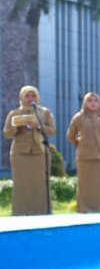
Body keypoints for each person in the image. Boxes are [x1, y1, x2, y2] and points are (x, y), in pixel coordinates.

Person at [5, 85, 55, 215]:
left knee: (40, 184)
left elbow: (52, 130)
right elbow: (7, 133)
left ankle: (41, 211)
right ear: (22, 97)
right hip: (20, 153)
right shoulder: (14, 114)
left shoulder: (44, 113)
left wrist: (38, 125)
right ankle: (21, 212)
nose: (30, 98)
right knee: (21, 185)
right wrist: (16, 126)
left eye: (33, 96)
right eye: (27, 96)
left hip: (40, 153)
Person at [67, 91, 100, 213]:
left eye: (95, 100)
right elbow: (70, 135)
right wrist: (81, 144)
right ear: (85, 103)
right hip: (85, 156)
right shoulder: (79, 117)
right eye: (90, 100)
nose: (93, 103)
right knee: (86, 184)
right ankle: (85, 209)